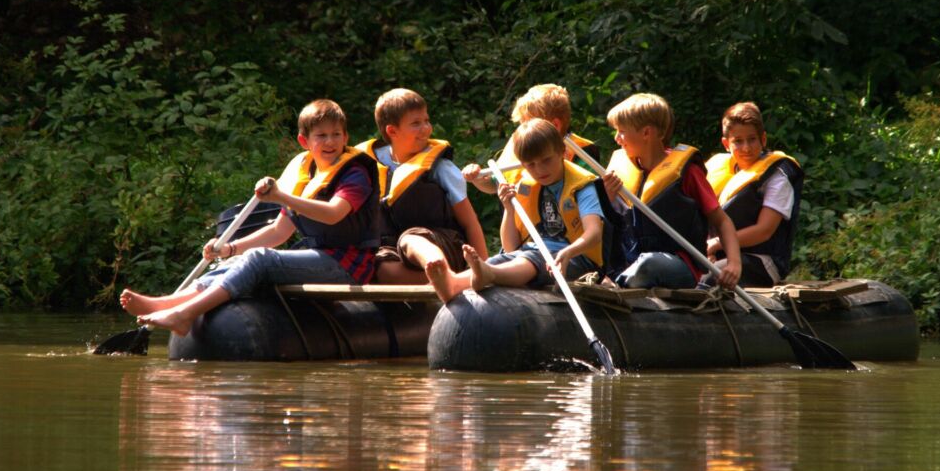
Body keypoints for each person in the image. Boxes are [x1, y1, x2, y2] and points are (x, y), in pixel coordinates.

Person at [120, 99, 380, 335]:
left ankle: (184, 314)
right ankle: (166, 303)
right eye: (321, 135)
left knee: (260, 259)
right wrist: (231, 248)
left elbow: (334, 214)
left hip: (349, 266)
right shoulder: (304, 173)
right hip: (319, 258)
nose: (330, 142)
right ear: (305, 142)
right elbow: (279, 232)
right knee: (242, 259)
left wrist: (282, 197)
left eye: (336, 134)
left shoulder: (354, 173)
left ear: (346, 137)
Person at [427, 118, 610, 302]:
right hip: (534, 252)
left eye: (546, 160)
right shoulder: (527, 186)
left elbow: (594, 233)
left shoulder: (582, 187)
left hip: (577, 259)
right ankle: (454, 284)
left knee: (527, 260)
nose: (539, 170)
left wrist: (569, 251)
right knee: (498, 261)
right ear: (522, 164)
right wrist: (509, 208)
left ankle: (489, 275)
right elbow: (510, 247)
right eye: (531, 164)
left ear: (562, 152)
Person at [601, 93, 742, 290]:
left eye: (622, 131)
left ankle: (616, 287)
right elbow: (603, 224)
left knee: (649, 264)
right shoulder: (620, 171)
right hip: (629, 262)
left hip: (678, 264)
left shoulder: (687, 173)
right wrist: (607, 198)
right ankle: (614, 280)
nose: (617, 138)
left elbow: (722, 220)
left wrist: (734, 263)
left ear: (646, 133)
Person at [356, 88, 487, 284]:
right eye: (416, 123)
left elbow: (470, 221)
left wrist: (484, 265)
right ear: (392, 131)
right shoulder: (369, 164)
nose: (426, 128)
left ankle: (447, 274)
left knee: (410, 239)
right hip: (395, 249)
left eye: (426, 121)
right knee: (378, 266)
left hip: (444, 244)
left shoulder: (442, 168)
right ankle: (444, 282)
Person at [704, 102, 803, 287]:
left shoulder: (778, 175)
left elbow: (764, 230)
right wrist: (706, 249)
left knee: (709, 278)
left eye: (752, 139)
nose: (747, 148)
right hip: (719, 254)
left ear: (763, 139)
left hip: (763, 261)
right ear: (726, 144)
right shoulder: (717, 169)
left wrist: (716, 245)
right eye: (738, 141)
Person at [462, 83, 600, 193]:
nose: (523, 129)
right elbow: (493, 185)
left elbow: (592, 193)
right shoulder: (520, 144)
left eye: (529, 123)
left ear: (555, 125)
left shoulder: (581, 153)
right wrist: (476, 178)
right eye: (522, 124)